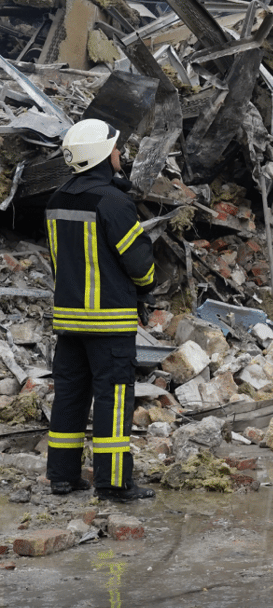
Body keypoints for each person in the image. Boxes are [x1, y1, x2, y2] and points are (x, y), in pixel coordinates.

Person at [45, 119, 156, 501]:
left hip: (69, 322)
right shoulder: (113, 202)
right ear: (101, 156)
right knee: (113, 398)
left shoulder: (57, 199)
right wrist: (146, 289)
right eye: (116, 148)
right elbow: (140, 265)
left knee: (70, 396)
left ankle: (62, 477)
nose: (120, 154)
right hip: (109, 322)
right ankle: (113, 484)